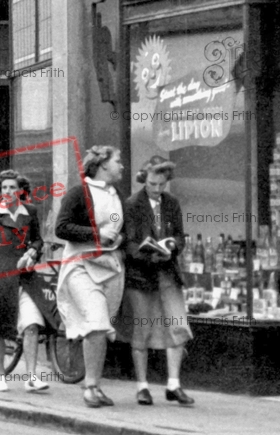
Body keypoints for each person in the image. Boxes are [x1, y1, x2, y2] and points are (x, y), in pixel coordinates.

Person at [116, 155, 195, 406]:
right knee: (142, 330)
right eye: (152, 184)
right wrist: (148, 255)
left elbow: (180, 237)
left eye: (161, 184)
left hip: (168, 273)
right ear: (144, 180)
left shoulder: (172, 203)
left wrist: (172, 246)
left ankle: (174, 385)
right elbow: (126, 243)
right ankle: (142, 386)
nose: (157, 189)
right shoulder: (131, 204)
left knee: (178, 326)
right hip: (141, 276)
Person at [54, 145, 126, 408]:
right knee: (96, 321)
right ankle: (90, 388)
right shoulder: (79, 193)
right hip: (80, 266)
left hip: (107, 266)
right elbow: (61, 227)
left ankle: (94, 385)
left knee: (102, 326)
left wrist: (119, 236)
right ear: (103, 165)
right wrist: (96, 234)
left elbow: (118, 225)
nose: (121, 165)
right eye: (118, 160)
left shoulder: (114, 195)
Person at [0, 169, 46, 393]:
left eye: (12, 187)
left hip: (25, 277)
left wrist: (33, 252)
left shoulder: (31, 212)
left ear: (20, 190)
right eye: (4, 188)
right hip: (0, 276)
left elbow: (38, 240)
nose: (8, 191)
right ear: (0, 191)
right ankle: (0, 375)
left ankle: (32, 377)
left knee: (32, 325)